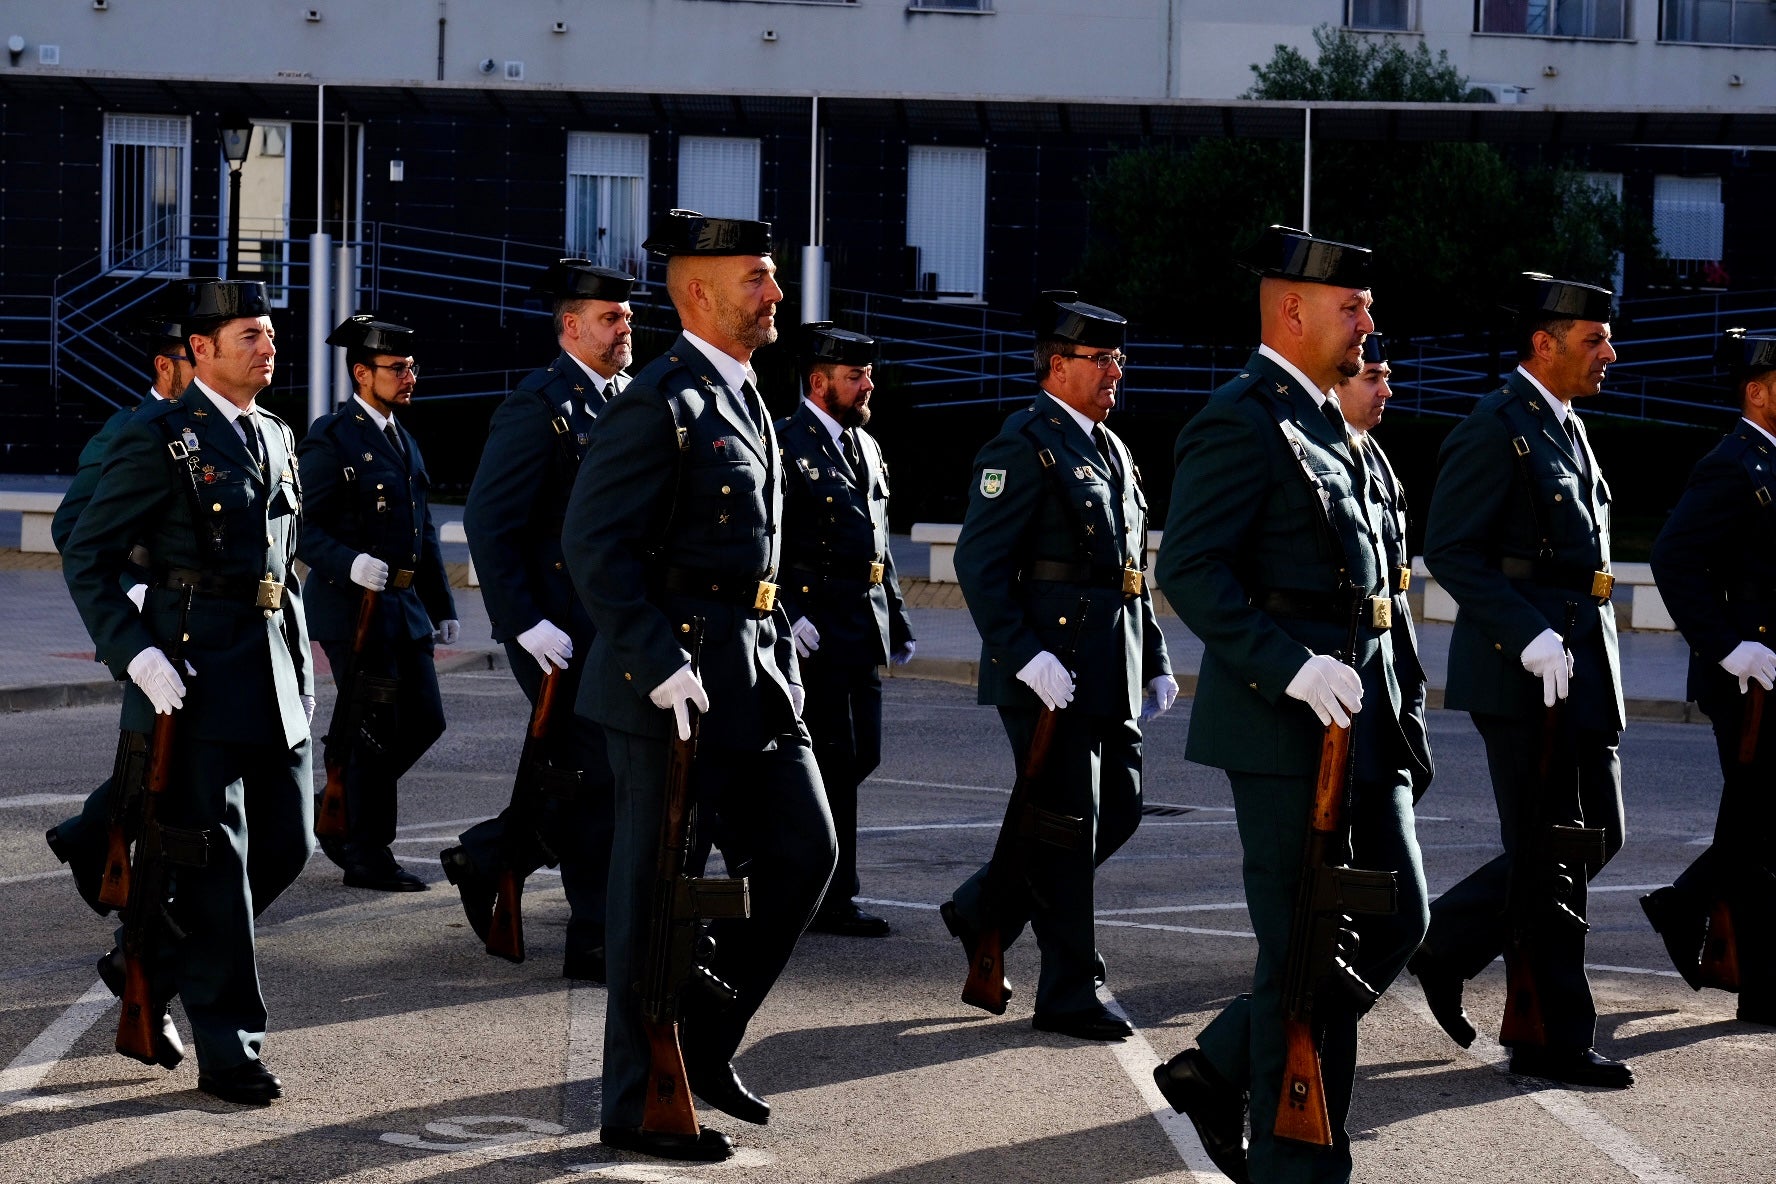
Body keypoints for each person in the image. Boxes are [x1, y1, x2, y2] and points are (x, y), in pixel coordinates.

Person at [1154, 228, 1429, 1184]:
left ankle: (1220, 1065)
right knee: (1307, 940)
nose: (1367, 322)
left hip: (1360, 724)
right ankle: (1294, 1156)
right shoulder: (1243, 419)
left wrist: (1401, 712)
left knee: (1396, 917)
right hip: (1284, 731)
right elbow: (1188, 567)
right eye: (1352, 307)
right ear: (1293, 311)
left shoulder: (1326, 423)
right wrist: (1289, 666)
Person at [562, 209, 837, 1163]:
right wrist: (656, 659)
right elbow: (593, 545)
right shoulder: (660, 400)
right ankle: (638, 1099)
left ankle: (704, 1041)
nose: (774, 293)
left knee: (806, 850)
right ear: (695, 292)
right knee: (651, 892)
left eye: (770, 277)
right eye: (756, 278)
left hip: (755, 674)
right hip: (669, 683)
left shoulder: (748, 396)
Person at [60, 278, 314, 1106]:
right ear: (200, 350)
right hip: (194, 681)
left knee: (288, 845)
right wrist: (134, 653)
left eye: (270, 333)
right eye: (249, 334)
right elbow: (88, 553)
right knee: (216, 866)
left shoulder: (276, 434)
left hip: (271, 674)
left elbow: (281, 573)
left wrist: (303, 674)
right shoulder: (159, 437)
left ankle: (147, 957)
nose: (267, 346)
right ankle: (231, 1048)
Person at [1409, 273, 1632, 1088]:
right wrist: (1527, 633)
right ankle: (1554, 1036)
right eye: (1594, 339)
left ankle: (1449, 941)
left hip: (1578, 666)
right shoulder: (1497, 427)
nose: (1609, 352)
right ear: (1545, 343)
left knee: (1594, 835)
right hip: (1525, 675)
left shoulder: (1561, 426)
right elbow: (1454, 552)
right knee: (1552, 854)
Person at [941, 291, 1175, 1041]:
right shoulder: (1025, 442)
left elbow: (1128, 571)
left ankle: (985, 906)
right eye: (1099, 359)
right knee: (1070, 831)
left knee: (1121, 811)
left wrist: (1157, 656)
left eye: (1118, 358)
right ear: (1056, 364)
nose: (1115, 371)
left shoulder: (1110, 447)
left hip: (1110, 667)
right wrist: (1025, 655)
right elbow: (979, 564)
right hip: (1051, 672)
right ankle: (1070, 989)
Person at [440, 260, 630, 981]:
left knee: (587, 772)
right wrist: (521, 622)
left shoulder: (624, 400)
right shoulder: (540, 405)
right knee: (592, 775)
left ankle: (489, 856)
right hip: (553, 631)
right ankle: (593, 935)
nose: (623, 331)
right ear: (571, 326)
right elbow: (491, 522)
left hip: (606, 626)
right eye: (609, 320)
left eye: (627, 320)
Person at [47, 283, 198, 913]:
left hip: (199, 618)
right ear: (166, 366)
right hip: (149, 619)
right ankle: (91, 836)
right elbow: (69, 530)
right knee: (152, 756)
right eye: (196, 355)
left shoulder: (211, 430)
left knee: (182, 757)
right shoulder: (128, 431)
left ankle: (92, 837)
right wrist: (132, 589)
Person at [1643, 328, 1776, 1027]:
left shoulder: (1770, 464)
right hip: (1748, 680)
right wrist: (1728, 649)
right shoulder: (1731, 465)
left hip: (1772, 674)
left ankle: (1684, 905)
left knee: (1757, 825)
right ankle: (1760, 985)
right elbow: (1673, 560)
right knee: (1760, 836)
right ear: (1757, 391)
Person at [298, 314, 457, 892]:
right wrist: (347, 563)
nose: (410, 375)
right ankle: (367, 853)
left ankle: (335, 803)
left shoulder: (402, 438)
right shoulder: (332, 437)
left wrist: (442, 605)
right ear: (363, 374)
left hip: (403, 609)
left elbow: (424, 529)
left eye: (412, 366)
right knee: (373, 730)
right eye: (397, 368)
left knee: (424, 721)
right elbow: (301, 527)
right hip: (352, 611)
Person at [776, 322, 914, 938]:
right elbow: (766, 541)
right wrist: (787, 618)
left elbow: (876, 546)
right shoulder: (785, 443)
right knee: (831, 758)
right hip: (814, 627)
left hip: (861, 625)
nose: (867, 386)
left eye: (867, 375)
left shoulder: (867, 446)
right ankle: (829, 894)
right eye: (854, 377)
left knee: (863, 754)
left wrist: (900, 615)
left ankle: (794, 867)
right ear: (819, 381)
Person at [1333, 335, 1434, 804]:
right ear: (1337, 387)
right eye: (1372, 378)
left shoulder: (1373, 454)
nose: (1386, 391)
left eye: (1386, 377)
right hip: (1353, 671)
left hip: (1394, 662)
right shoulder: (1328, 452)